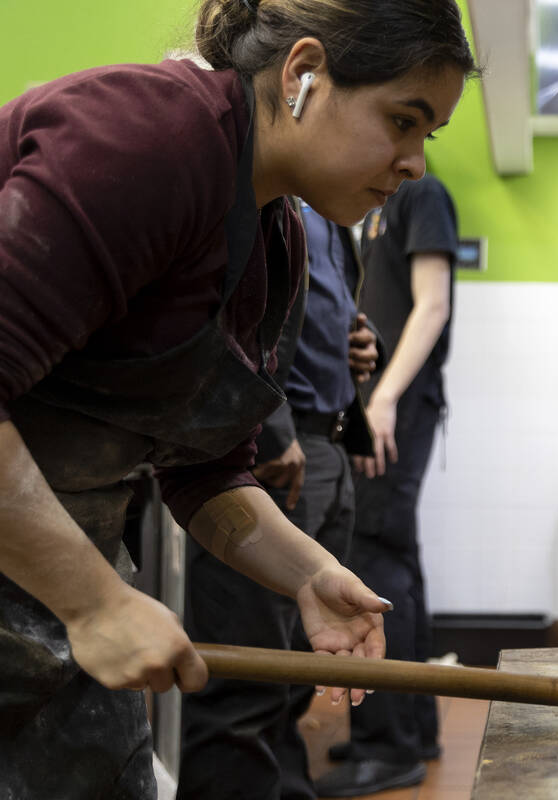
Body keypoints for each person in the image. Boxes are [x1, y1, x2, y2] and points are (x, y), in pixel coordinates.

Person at [0, 0, 476, 797]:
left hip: (45, 590)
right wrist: (94, 602)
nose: (415, 164)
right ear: (303, 75)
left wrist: (306, 572)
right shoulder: (149, 138)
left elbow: (207, 472)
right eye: (403, 120)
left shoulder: (275, 238)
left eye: (427, 136)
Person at [178, 202, 382, 800]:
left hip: (328, 444)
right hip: (271, 453)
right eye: (401, 121)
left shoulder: (333, 213)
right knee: (248, 680)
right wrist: (272, 428)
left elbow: (313, 318)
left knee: (297, 671)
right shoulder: (259, 193)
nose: (411, 163)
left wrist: (364, 341)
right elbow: (216, 323)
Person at [314, 175, 458, 797]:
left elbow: (433, 304)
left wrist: (385, 398)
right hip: (377, 402)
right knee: (397, 560)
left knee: (374, 555)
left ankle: (388, 744)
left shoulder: (423, 196)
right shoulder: (372, 208)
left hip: (393, 406)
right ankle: (414, 728)